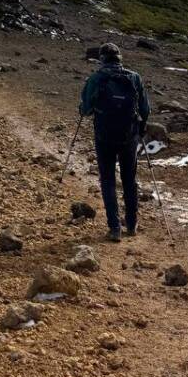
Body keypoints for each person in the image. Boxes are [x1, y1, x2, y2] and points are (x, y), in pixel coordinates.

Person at [79, 42, 150, 241]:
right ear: (120, 58)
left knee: (108, 180)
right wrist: (141, 128)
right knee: (129, 180)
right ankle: (132, 224)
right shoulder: (134, 78)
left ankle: (114, 228)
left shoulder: (96, 78)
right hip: (129, 136)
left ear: (102, 59)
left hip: (104, 135)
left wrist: (87, 108)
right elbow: (145, 109)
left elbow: (85, 109)